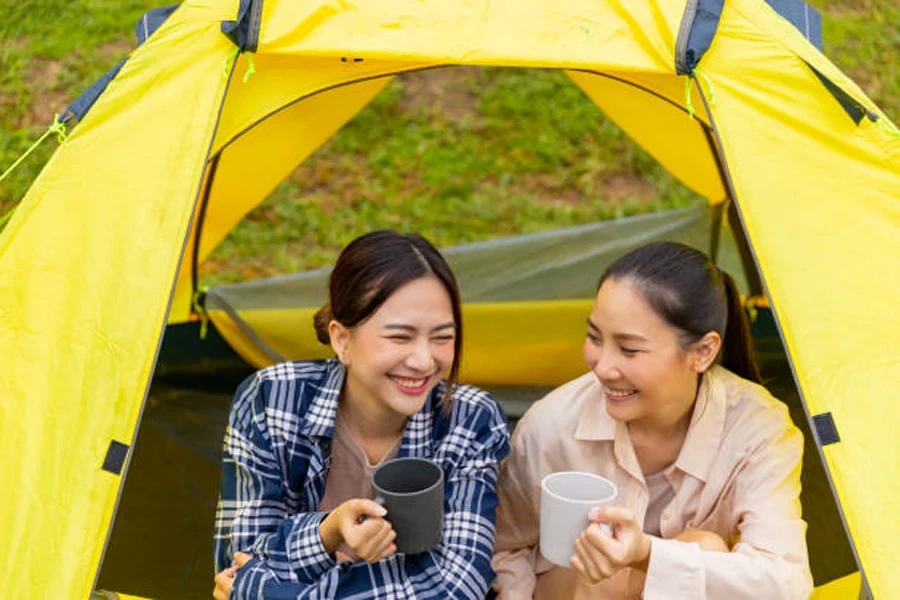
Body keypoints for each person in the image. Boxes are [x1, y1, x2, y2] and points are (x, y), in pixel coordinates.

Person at [491, 241, 813, 599]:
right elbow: (504, 546)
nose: (602, 366)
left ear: (703, 352)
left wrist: (646, 553)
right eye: (595, 338)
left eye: (629, 349)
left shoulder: (756, 427)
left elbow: (785, 582)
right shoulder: (552, 425)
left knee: (703, 548)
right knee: (602, 564)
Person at [212, 230, 510, 599]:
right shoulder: (271, 400)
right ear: (341, 339)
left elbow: (456, 585)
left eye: (442, 337)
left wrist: (272, 593)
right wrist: (328, 532)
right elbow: (236, 562)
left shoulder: (471, 421)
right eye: (400, 337)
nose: (423, 361)